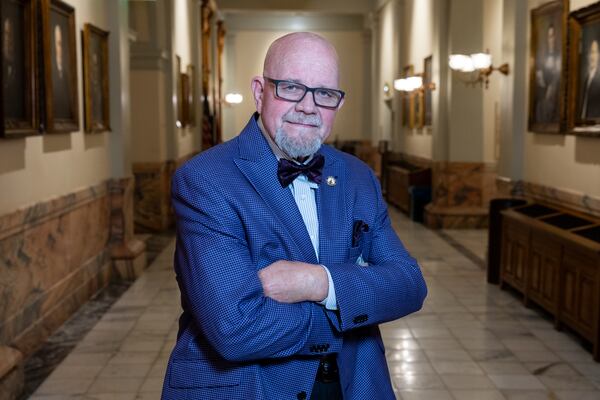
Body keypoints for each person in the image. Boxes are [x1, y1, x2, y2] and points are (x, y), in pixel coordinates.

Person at [161, 32, 427, 400]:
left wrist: (319, 282)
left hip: (356, 384)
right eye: (291, 87)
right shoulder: (206, 180)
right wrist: (356, 298)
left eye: (325, 93)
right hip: (251, 387)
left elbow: (409, 285)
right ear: (259, 91)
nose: (308, 106)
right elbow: (235, 328)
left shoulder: (358, 176)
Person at [534, 24, 560, 124]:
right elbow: (539, 82)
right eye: (549, 36)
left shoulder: (559, 57)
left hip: (554, 101)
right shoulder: (542, 59)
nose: (551, 39)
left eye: (553, 36)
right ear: (547, 39)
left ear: (555, 37)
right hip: (543, 101)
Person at [580, 38, 600, 120]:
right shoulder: (586, 80)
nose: (592, 56)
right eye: (590, 53)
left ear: (599, 55)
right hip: (584, 124)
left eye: (594, 52)